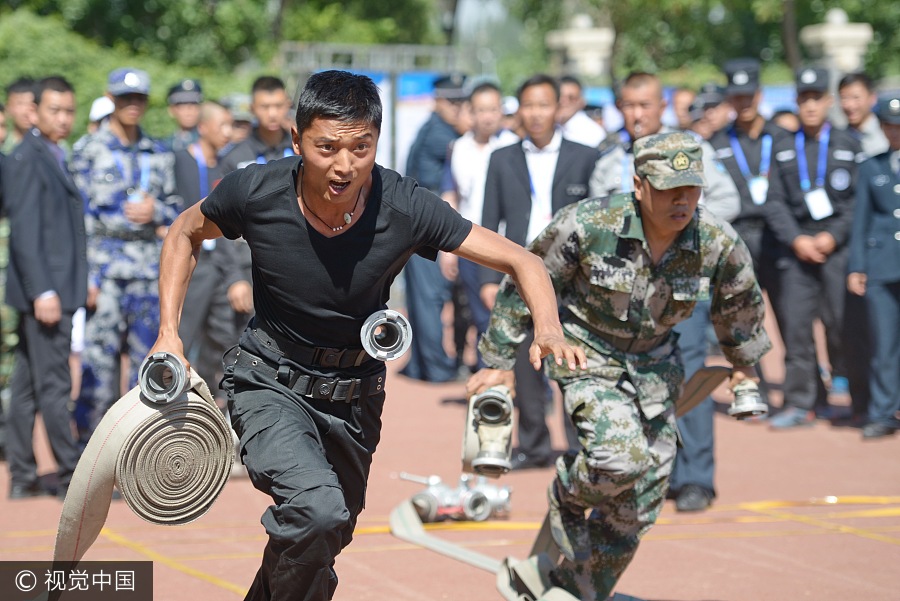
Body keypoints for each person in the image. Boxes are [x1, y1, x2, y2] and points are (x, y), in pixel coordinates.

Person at [147, 69, 584, 601]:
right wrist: (169, 333)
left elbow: (521, 259)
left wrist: (547, 326)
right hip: (270, 382)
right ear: (297, 141)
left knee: (327, 535)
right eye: (327, 147)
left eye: (361, 147)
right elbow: (184, 231)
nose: (344, 164)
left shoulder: (404, 205)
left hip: (354, 396)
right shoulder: (256, 191)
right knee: (316, 511)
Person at [468, 131, 770, 601]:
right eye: (669, 188)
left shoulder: (713, 240)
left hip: (655, 368)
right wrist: (498, 360)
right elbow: (526, 278)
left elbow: (740, 304)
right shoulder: (589, 224)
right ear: (638, 184)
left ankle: (579, 589)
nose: (682, 200)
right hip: (588, 355)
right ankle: (569, 493)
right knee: (618, 458)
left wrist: (744, 367)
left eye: (691, 188)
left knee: (643, 495)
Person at [481, 74, 601, 469]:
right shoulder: (502, 159)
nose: (536, 114)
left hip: (573, 275)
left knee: (572, 359)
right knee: (524, 363)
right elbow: (487, 221)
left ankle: (578, 446)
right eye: (528, 105)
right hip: (517, 273)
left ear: (559, 108)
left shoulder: (586, 156)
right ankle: (533, 445)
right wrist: (487, 280)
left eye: (544, 105)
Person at [71, 67, 182, 437]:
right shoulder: (88, 151)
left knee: (146, 365)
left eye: (139, 99)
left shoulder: (158, 152)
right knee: (98, 366)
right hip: (104, 272)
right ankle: (89, 453)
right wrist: (86, 276)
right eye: (125, 99)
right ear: (111, 99)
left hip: (148, 270)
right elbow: (77, 218)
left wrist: (158, 213)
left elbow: (178, 209)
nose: (133, 105)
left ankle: (139, 454)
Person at [764, 67, 864, 429]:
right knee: (795, 328)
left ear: (828, 102)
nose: (810, 106)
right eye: (803, 99)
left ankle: (860, 401)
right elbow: (773, 203)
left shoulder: (848, 144)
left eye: (816, 99)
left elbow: (857, 202)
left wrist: (833, 236)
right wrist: (797, 240)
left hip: (837, 247)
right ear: (796, 102)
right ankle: (799, 402)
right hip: (797, 249)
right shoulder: (783, 146)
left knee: (845, 326)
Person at [2, 76, 85, 499]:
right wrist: (43, 291)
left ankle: (21, 475)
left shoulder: (50, 152)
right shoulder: (28, 158)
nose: (64, 119)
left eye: (69, 110)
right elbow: (25, 233)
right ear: (34, 111)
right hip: (47, 292)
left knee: (28, 384)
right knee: (53, 384)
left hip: (55, 287)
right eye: (55, 110)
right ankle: (71, 475)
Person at [441, 81, 518, 369]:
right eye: (481, 109)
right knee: (480, 315)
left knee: (512, 314)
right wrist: (446, 248)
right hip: (469, 242)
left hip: (508, 243)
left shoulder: (514, 146)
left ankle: (524, 382)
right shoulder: (458, 148)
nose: (488, 116)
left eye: (493, 109)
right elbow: (451, 195)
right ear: (470, 112)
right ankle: (490, 379)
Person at [400, 73, 468, 383]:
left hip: (416, 223)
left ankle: (420, 365)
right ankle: (436, 368)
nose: (458, 108)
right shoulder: (442, 134)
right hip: (426, 225)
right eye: (452, 102)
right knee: (430, 298)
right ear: (438, 101)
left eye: (461, 102)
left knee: (423, 297)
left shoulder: (434, 127)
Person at [172, 102, 243, 397]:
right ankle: (173, 401)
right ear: (203, 128)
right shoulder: (180, 161)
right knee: (185, 333)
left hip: (221, 261)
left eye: (231, 125)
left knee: (224, 335)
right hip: (192, 261)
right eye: (222, 125)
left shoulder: (227, 165)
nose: (228, 132)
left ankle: (212, 402)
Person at [846, 93, 900, 440]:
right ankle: (882, 411)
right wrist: (857, 267)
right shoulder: (872, 166)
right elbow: (860, 220)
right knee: (884, 344)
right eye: (890, 126)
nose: (895, 132)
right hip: (882, 265)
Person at [219, 76, 294, 173]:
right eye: (265, 107)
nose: (272, 114)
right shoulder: (234, 157)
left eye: (278, 106)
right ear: (252, 108)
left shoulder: (300, 149)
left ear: (288, 105)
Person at [838, 72, 889, 159]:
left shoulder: (889, 134)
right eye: (844, 98)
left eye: (856, 97)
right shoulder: (838, 138)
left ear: (872, 98)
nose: (850, 105)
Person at [557, 75, 606, 147]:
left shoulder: (593, 133)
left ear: (582, 101)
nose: (563, 101)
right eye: (559, 96)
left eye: (571, 98)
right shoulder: (549, 128)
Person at [166, 78, 203, 152]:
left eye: (193, 104)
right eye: (182, 106)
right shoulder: (165, 145)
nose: (189, 112)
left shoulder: (209, 141)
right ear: (171, 110)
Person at [1, 78, 35, 154]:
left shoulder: (52, 146)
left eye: (31, 104)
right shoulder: (3, 146)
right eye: (20, 103)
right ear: (8, 108)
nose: (26, 112)